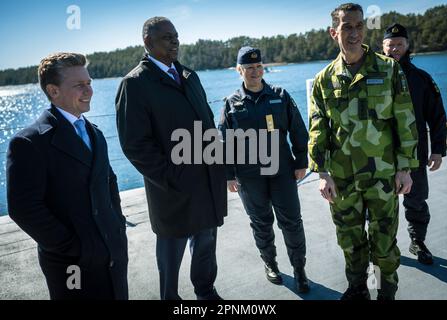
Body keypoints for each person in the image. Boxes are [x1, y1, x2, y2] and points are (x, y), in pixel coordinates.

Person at [308, 3, 419, 300]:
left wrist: (405, 168)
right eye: (347, 27)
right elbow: (318, 128)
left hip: (383, 175)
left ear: (365, 29)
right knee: (350, 240)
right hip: (343, 179)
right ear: (334, 32)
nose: (354, 32)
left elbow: (404, 120)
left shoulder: (389, 68)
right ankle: (357, 288)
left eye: (359, 26)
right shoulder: (323, 80)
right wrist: (322, 171)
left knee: (383, 242)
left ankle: (385, 290)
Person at [115, 17, 227, 300]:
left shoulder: (190, 76)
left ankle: (205, 290)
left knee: (206, 243)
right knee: (171, 250)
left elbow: (208, 123)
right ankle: (170, 297)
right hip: (172, 190)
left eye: (176, 36)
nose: (174, 41)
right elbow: (135, 145)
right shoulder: (135, 84)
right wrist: (172, 177)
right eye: (166, 37)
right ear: (148, 42)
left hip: (206, 182)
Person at [6, 52, 128, 300]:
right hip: (72, 266)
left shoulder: (95, 133)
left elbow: (109, 180)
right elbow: (24, 209)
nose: (89, 91)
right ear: (53, 91)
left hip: (113, 254)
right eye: (79, 85)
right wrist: (74, 248)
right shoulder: (29, 142)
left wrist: (117, 224)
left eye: (89, 83)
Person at [219, 47, 310, 293]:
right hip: (249, 176)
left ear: (263, 68)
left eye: (258, 66)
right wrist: (228, 175)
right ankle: (270, 265)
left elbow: (298, 129)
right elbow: (224, 142)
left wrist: (301, 161)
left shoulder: (280, 95)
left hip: (282, 170)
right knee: (261, 223)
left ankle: (300, 270)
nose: (255, 72)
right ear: (239, 71)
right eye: (249, 68)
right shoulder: (231, 103)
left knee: (292, 222)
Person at [382, 23, 447, 265]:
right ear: (383, 47)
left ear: (407, 45)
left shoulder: (421, 79)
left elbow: (438, 116)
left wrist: (438, 150)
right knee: (380, 205)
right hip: (380, 155)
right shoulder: (372, 77)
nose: (395, 49)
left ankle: (417, 242)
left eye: (400, 44)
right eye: (390, 45)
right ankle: (383, 245)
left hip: (414, 154)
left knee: (416, 201)